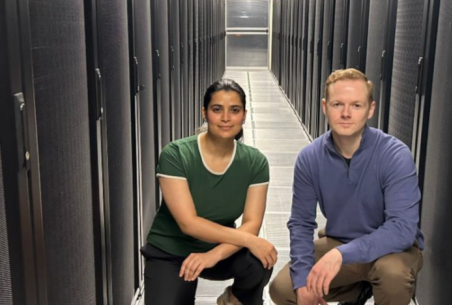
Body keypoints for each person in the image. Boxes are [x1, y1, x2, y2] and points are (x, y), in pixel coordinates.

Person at [270, 69, 424, 305]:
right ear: (325, 106)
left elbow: (401, 230)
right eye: (337, 104)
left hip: (390, 249)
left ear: (370, 109)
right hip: (340, 241)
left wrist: (341, 255)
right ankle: (358, 289)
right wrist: (302, 281)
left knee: (393, 275)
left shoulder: (394, 155)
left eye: (356, 105)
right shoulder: (310, 158)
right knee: (283, 288)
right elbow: (301, 223)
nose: (345, 113)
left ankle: (371, 283)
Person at [141, 79, 277, 305]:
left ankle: (234, 299)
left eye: (234, 110)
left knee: (259, 260)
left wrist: (213, 255)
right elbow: (189, 224)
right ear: (204, 112)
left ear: (244, 114)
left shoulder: (255, 162)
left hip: (219, 247)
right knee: (254, 244)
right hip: (171, 250)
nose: (226, 118)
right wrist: (250, 240)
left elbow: (252, 223)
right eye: (217, 109)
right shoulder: (176, 154)